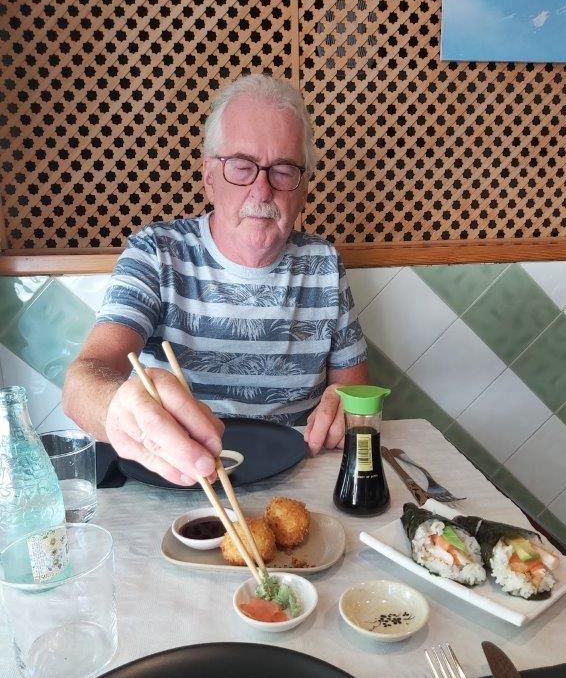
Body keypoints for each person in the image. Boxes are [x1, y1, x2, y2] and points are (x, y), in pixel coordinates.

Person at [63, 73, 369, 486]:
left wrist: (345, 404)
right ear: (209, 176)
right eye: (242, 167)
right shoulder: (156, 253)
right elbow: (83, 380)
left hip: (296, 479)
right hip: (176, 481)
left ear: (303, 189)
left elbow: (356, 391)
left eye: (282, 171)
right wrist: (117, 408)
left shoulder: (324, 264)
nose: (261, 191)